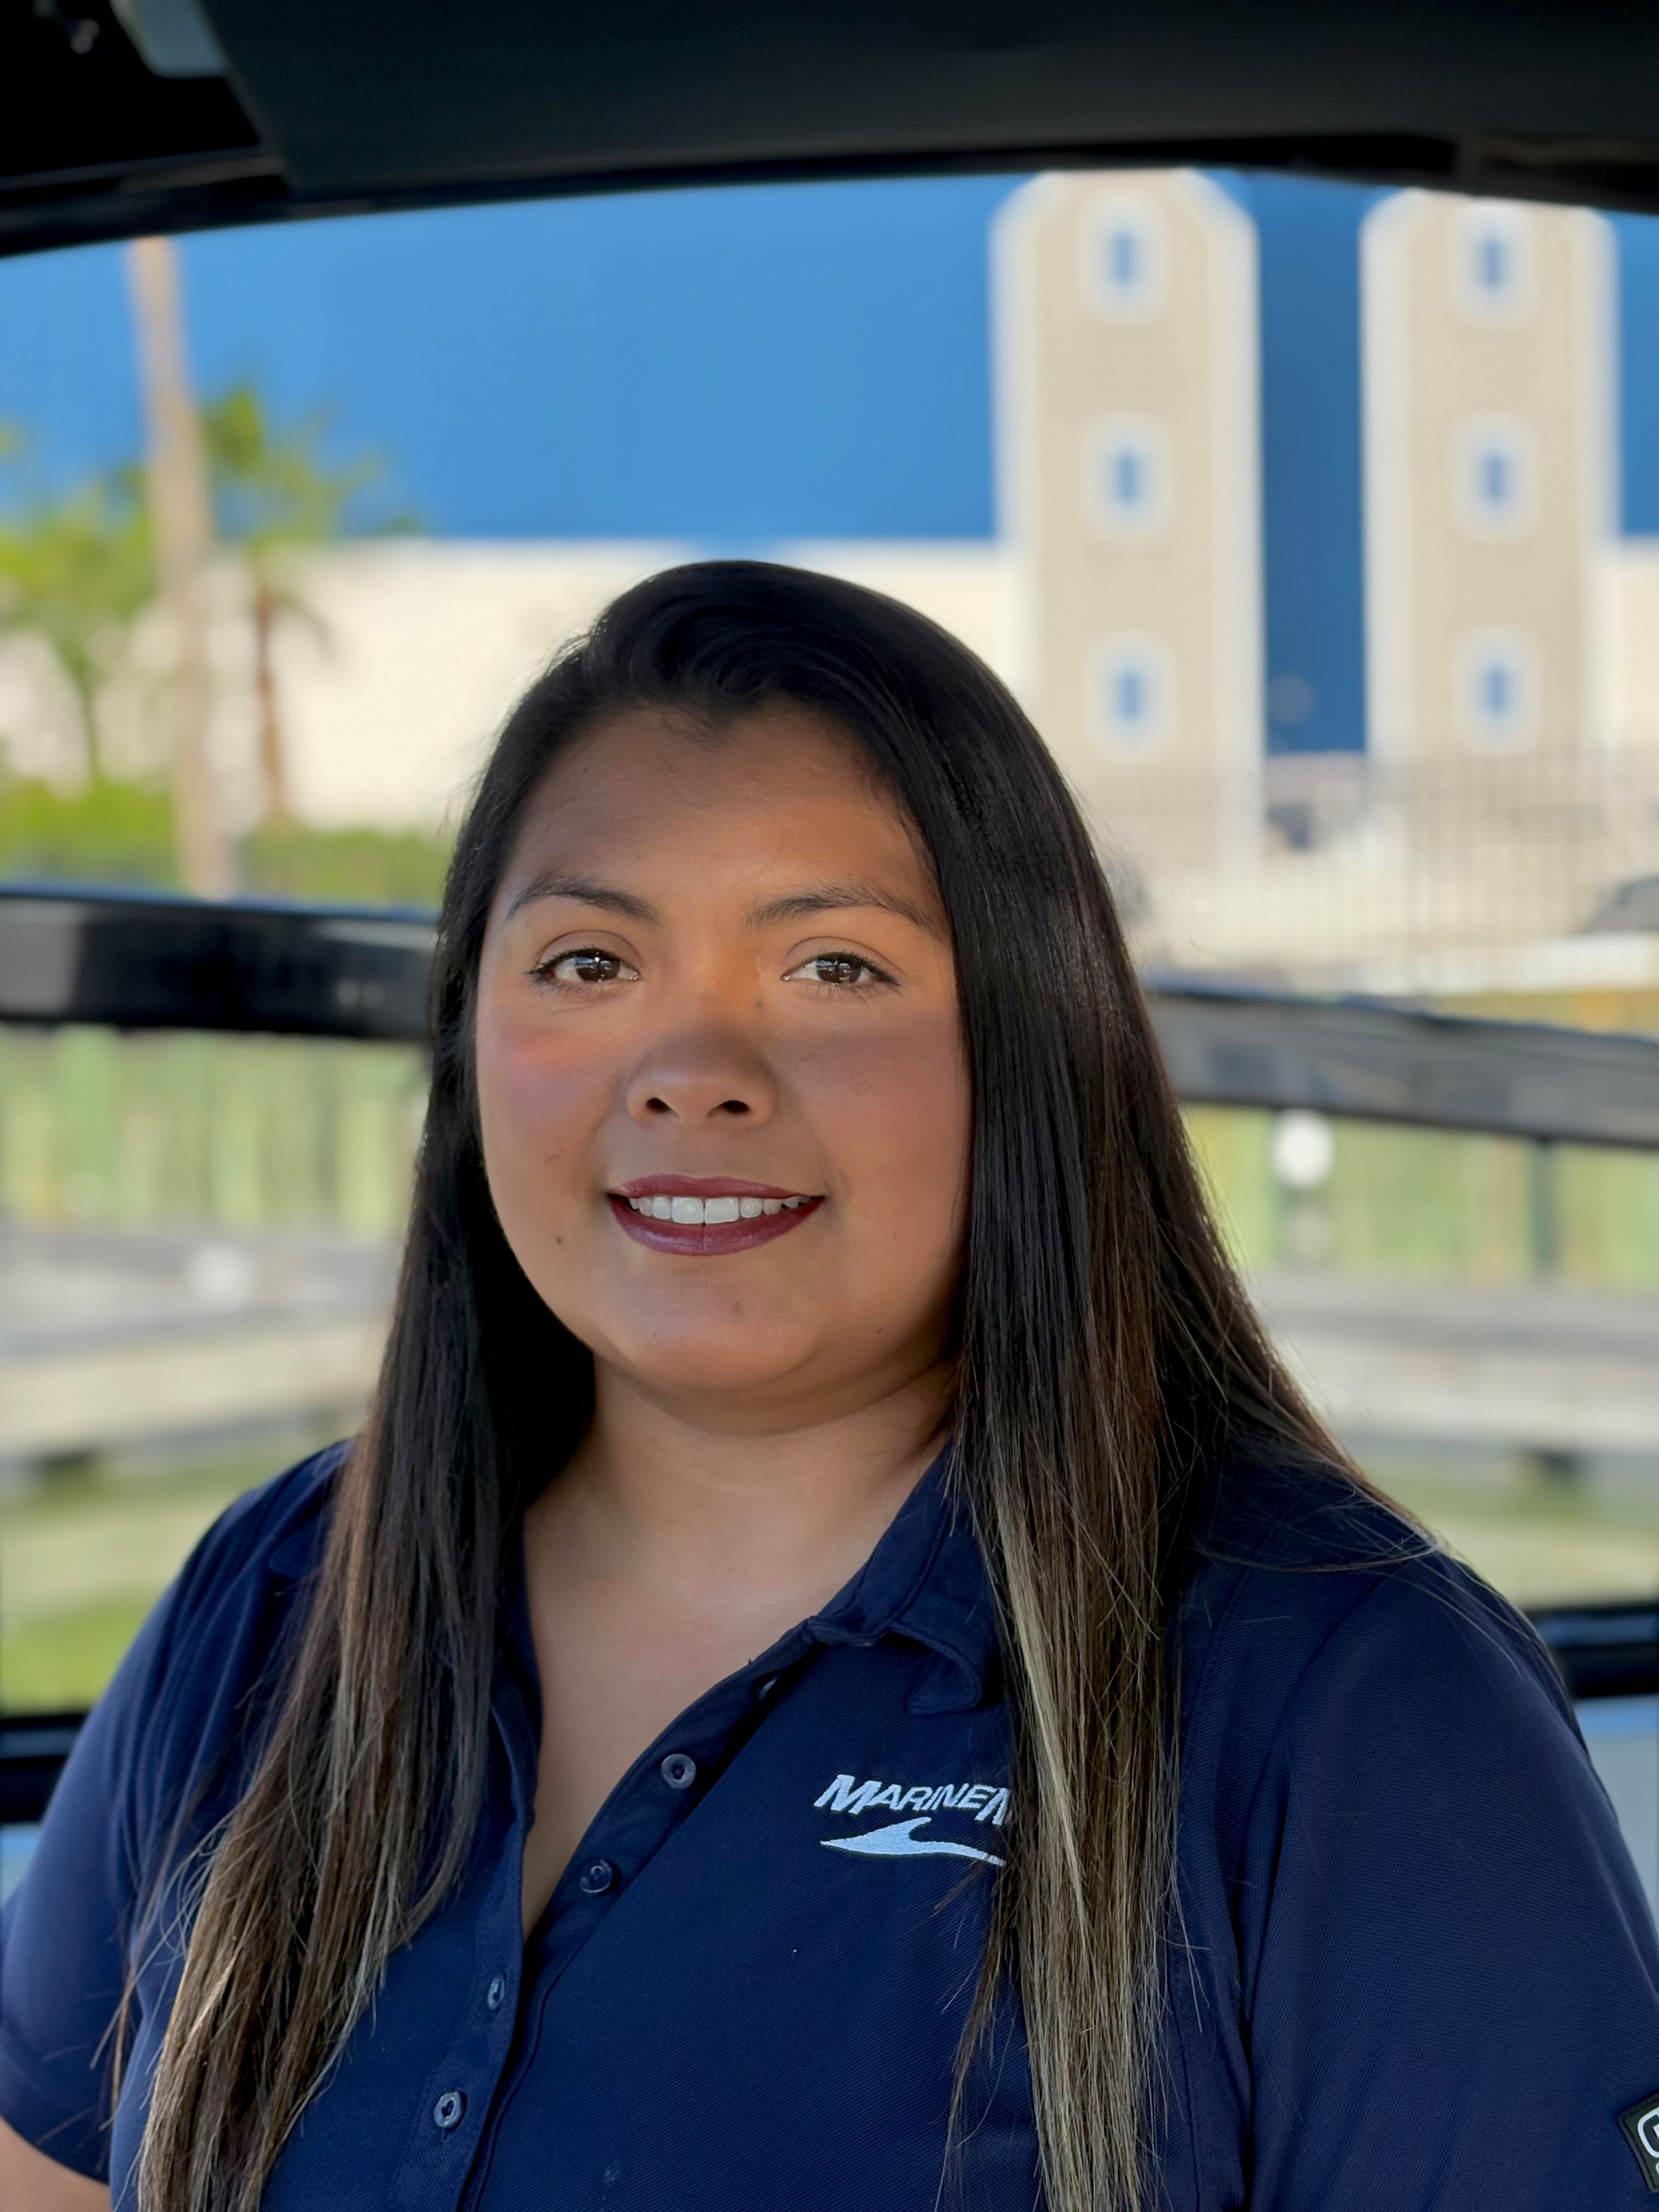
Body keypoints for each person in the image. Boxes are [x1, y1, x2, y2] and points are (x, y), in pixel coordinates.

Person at [2, 562, 1656, 2212]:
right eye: (588, 962)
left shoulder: (1358, 1704)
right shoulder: (273, 1606)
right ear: (467, 1036)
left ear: (1034, 1046)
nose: (693, 1077)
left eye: (835, 969)